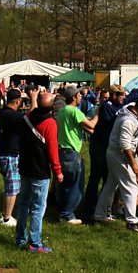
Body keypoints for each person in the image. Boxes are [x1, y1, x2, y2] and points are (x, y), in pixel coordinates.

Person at [82, 76, 138, 224]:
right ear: (114, 95)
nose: (125, 97)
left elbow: (136, 95)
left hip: (110, 148)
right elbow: (123, 138)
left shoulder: (122, 106)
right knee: (98, 179)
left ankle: (103, 213)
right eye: (122, 95)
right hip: (101, 147)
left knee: (110, 183)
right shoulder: (108, 108)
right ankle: (90, 211)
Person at [94, 94, 138, 232]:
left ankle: (99, 214)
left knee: (110, 185)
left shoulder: (126, 113)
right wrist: (133, 164)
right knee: (131, 186)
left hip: (114, 153)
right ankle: (132, 221)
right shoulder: (129, 120)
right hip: (119, 155)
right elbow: (125, 144)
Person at [15, 92, 63, 254]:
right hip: (40, 171)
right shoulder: (50, 123)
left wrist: (34, 98)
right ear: (53, 107)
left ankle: (20, 239)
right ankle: (34, 243)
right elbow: (52, 151)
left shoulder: (27, 117)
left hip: (25, 167)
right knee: (37, 208)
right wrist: (58, 171)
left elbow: (33, 109)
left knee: (23, 205)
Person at [0, 88, 37, 226]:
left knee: (9, 187)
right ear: (18, 101)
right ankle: (7, 218)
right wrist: (34, 98)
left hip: (3, 154)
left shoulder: (3, 113)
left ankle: (4, 215)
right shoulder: (11, 115)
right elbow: (33, 115)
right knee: (12, 188)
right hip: (10, 156)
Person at [56, 86, 98, 224]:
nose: (81, 97)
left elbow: (81, 127)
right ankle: (68, 215)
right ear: (74, 97)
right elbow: (91, 125)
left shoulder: (63, 111)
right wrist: (98, 110)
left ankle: (62, 212)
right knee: (76, 187)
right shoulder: (74, 111)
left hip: (62, 152)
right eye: (79, 95)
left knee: (64, 185)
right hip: (72, 154)